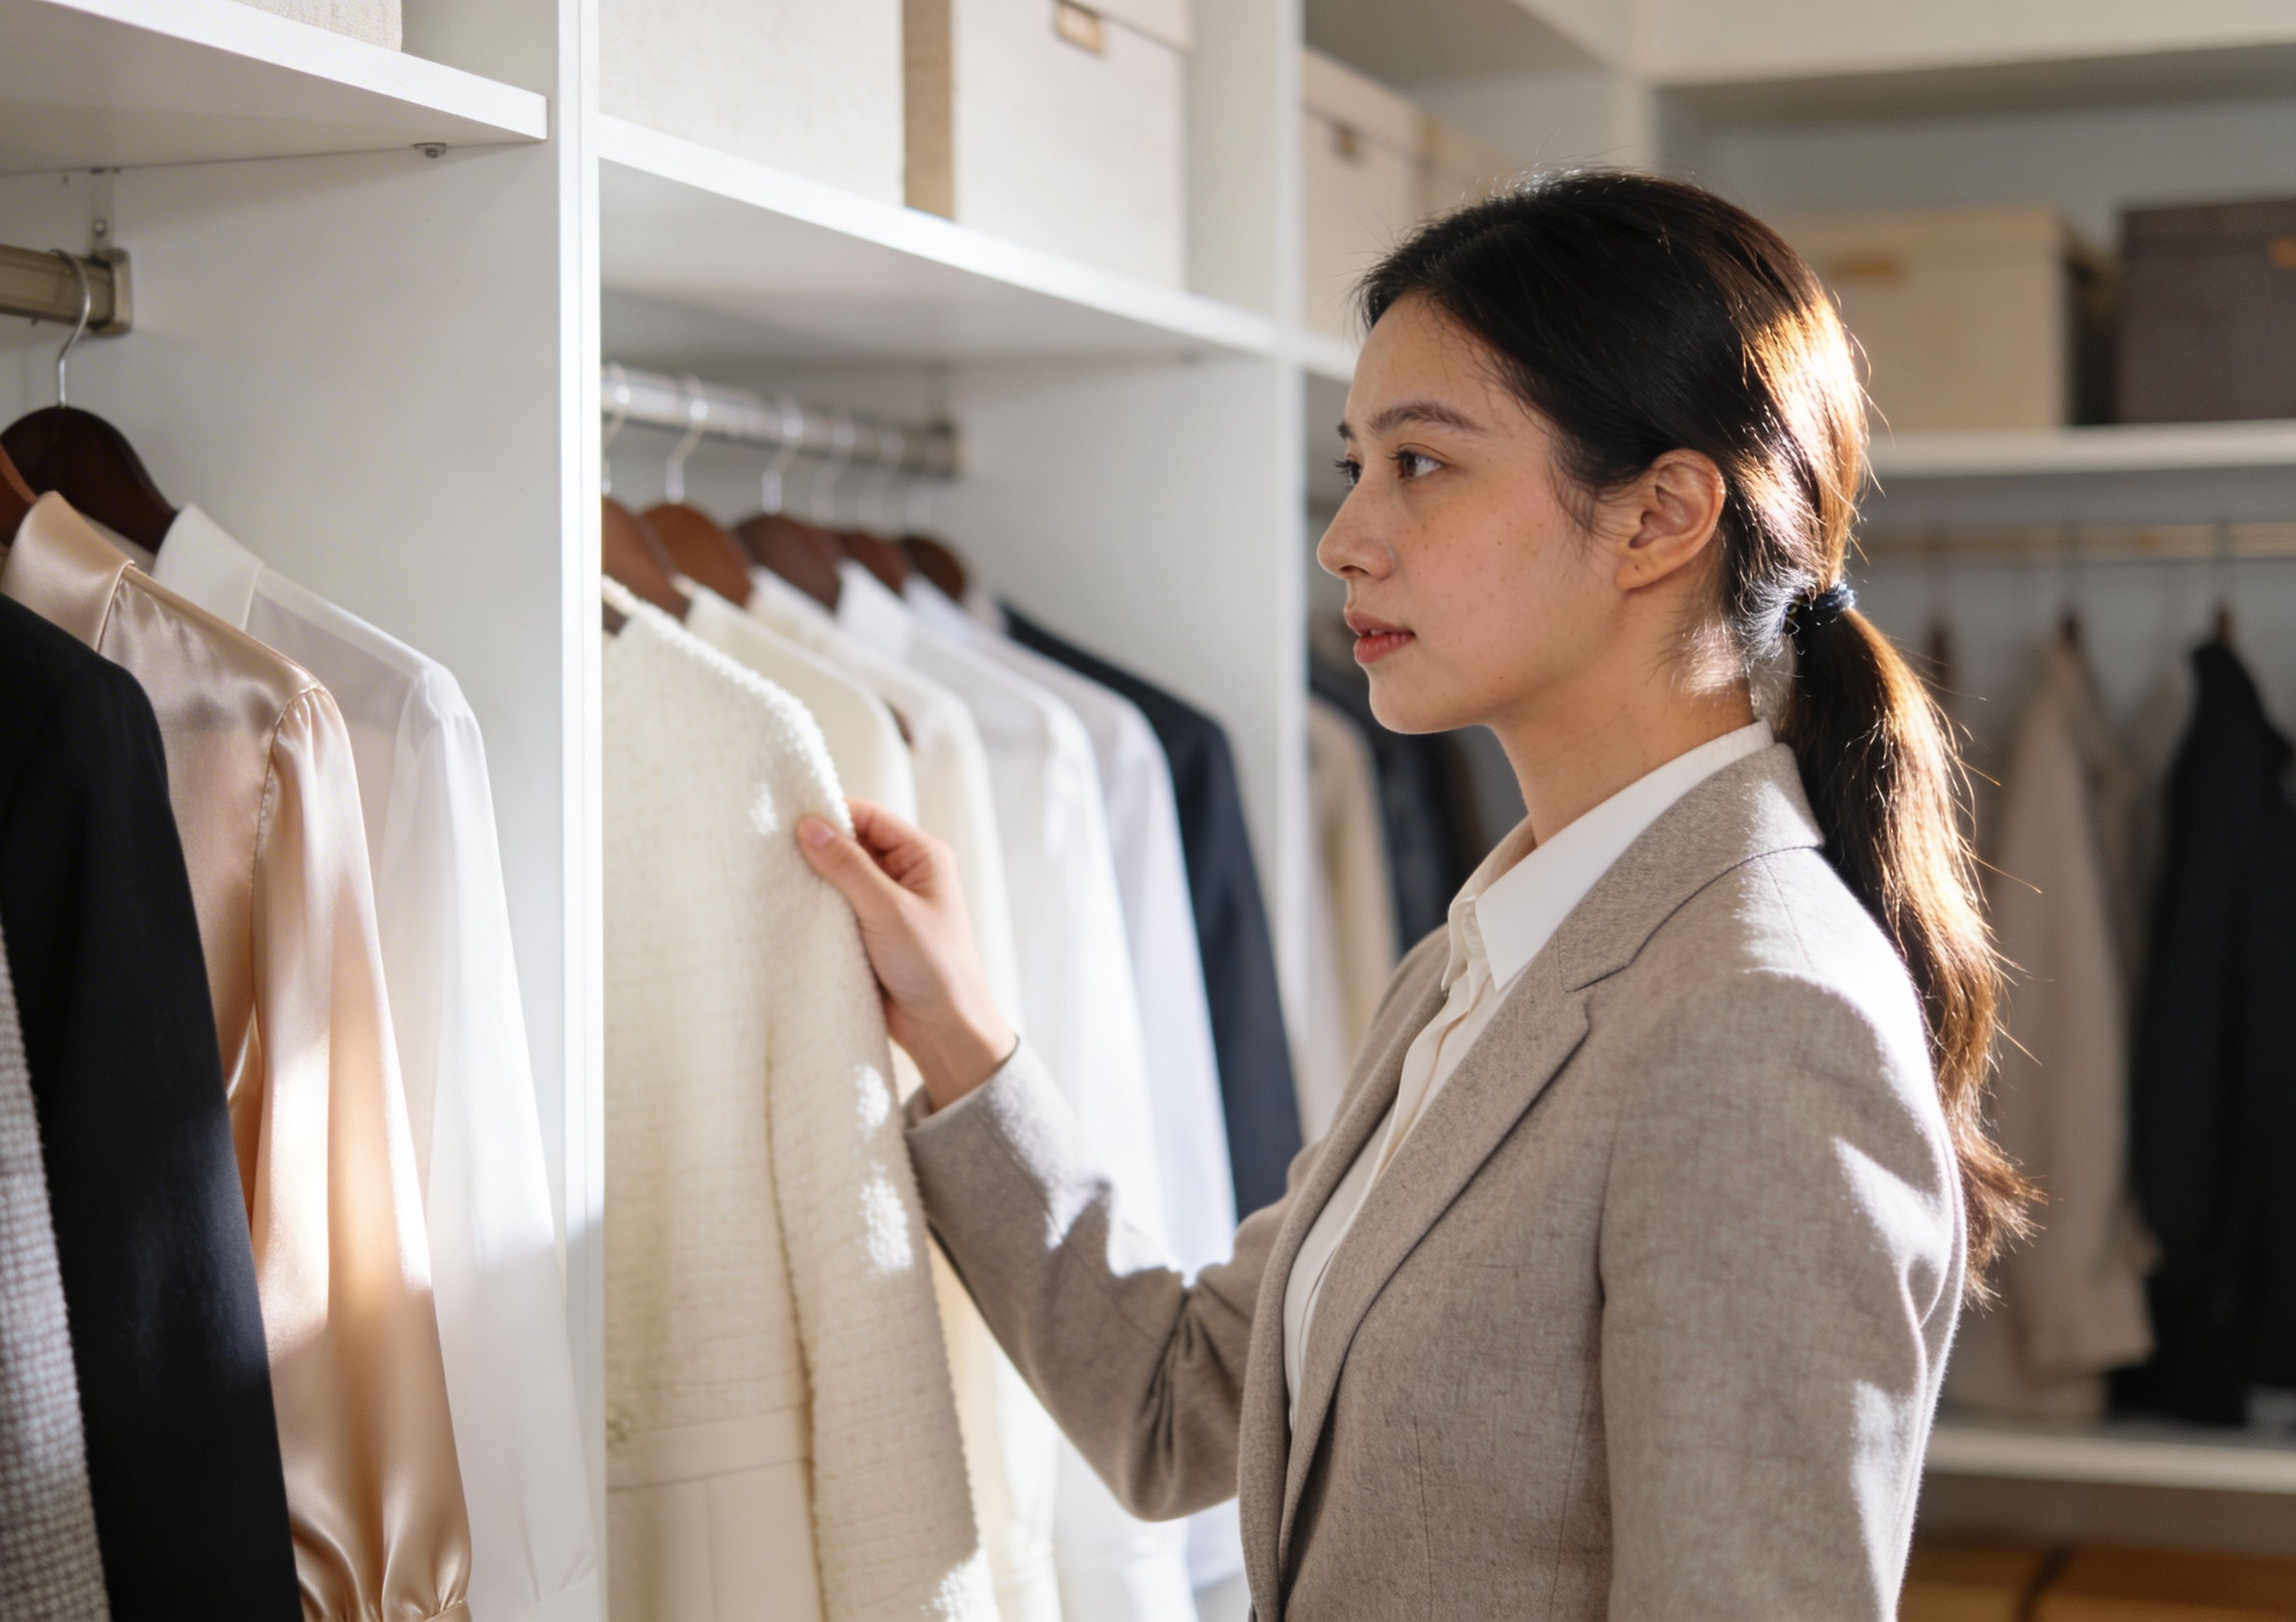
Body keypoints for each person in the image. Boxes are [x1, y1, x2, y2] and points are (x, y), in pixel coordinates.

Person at [793, 170, 2026, 1620]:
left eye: (1421, 464)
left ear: (1659, 515)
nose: (1344, 538)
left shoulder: (1756, 1019)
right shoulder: (1495, 951)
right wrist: (956, 1036)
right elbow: (1180, 1402)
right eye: (1354, 464)